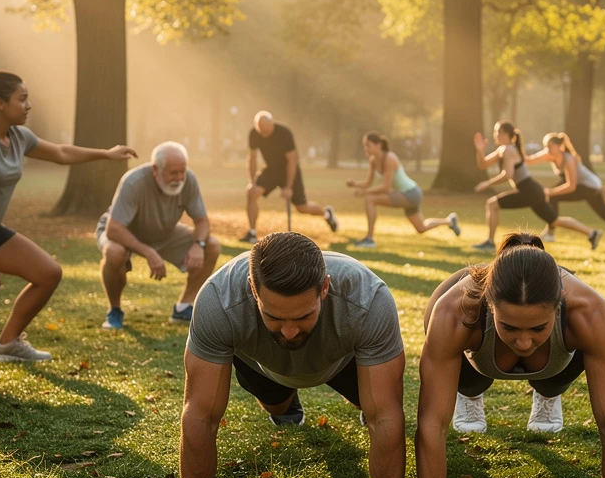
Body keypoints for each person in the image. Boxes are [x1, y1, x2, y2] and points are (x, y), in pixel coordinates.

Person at [173, 232, 406, 478]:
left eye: (303, 316)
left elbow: (386, 418)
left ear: (324, 288)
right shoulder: (218, 299)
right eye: (274, 316)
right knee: (280, 407)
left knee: (378, 409)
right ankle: (286, 405)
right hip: (265, 364)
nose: (290, 331)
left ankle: (348, 393)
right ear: (254, 290)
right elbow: (201, 416)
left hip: (343, 361)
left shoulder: (368, 300)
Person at [0, 67, 135, 376]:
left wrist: (106, 154)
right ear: (1, 104)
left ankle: (8, 343)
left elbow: (60, 152)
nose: (29, 105)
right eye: (23, 99)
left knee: (48, 273)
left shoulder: (19, 137)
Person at [415, 233, 605, 478]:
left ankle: (547, 392)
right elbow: (432, 423)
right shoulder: (454, 311)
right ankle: (469, 395)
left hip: (556, 362)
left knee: (550, 380)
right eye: (510, 327)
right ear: (489, 304)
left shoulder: (589, 311)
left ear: (558, 304)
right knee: (469, 384)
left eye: (538, 328)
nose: (525, 342)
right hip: (477, 361)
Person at [96, 141, 221, 329]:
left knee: (211, 245)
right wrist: (149, 252)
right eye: (173, 173)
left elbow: (202, 221)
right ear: (156, 169)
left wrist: (199, 246)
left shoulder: (189, 180)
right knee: (114, 253)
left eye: (182, 171)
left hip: (165, 232)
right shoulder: (134, 181)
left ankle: (184, 307)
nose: (179, 178)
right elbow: (114, 229)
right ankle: (114, 310)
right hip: (123, 231)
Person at [472, 121, 602, 252]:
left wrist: (487, 183)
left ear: (506, 134)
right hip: (531, 190)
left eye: (498, 132)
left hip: (529, 190)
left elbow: (507, 174)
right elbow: (483, 164)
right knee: (555, 220)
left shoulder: (509, 150)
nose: (495, 135)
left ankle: (490, 242)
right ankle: (592, 233)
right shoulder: (503, 150)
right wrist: (480, 151)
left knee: (492, 204)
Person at [345, 132, 460, 248]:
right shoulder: (373, 160)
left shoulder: (389, 158)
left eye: (368, 145)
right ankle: (449, 220)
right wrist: (354, 184)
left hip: (411, 193)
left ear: (378, 145)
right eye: (365, 145)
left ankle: (369, 239)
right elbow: (367, 183)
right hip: (407, 194)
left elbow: (386, 187)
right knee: (421, 228)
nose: (366, 148)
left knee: (370, 200)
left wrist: (365, 192)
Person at [243, 111, 337, 242]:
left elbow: (292, 160)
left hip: (289, 170)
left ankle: (327, 214)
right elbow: (252, 159)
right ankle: (252, 233)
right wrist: (252, 182)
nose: (263, 134)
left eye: (265, 130)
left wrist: (288, 187)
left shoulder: (284, 133)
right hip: (271, 170)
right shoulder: (254, 134)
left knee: (302, 207)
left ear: (271, 124)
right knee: (251, 193)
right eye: (261, 130)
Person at [526, 132, 605, 243]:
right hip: (590, 185)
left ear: (559, 146)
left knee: (554, 196)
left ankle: (550, 234)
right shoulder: (549, 154)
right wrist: (515, 149)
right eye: (546, 147)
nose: (547, 150)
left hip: (590, 186)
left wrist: (550, 192)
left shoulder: (568, 160)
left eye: (550, 147)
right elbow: (529, 160)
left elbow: (571, 186)